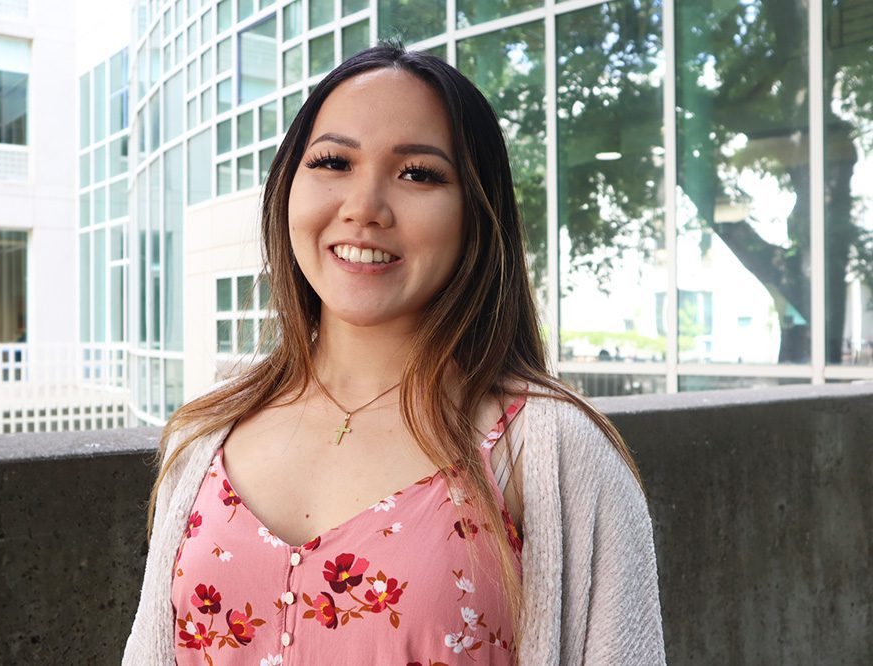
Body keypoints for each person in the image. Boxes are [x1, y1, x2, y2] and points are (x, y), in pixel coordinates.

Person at [124, 44, 664, 665]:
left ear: (477, 212)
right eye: (333, 162)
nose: (364, 208)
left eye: (418, 174)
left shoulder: (552, 451)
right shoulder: (204, 435)